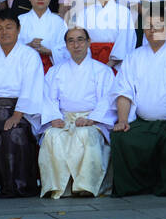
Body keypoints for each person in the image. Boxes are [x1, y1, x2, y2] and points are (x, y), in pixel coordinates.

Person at [110, 10, 166, 197]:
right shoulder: (134, 57)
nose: (152, 30)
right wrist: (123, 120)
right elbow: (124, 91)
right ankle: (134, 187)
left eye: (157, 26)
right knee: (121, 137)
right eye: (148, 26)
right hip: (141, 121)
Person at [0, 9, 45, 198]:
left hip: (20, 110)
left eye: (9, 27)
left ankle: (16, 186)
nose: (4, 32)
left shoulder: (29, 56)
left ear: (18, 30)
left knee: (14, 132)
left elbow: (30, 88)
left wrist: (17, 115)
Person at [38, 27, 117, 199]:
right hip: (64, 118)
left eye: (81, 39)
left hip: (91, 119)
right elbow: (48, 98)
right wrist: (54, 118)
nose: (76, 44)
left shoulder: (102, 70)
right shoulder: (55, 71)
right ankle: (60, 187)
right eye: (71, 41)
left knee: (85, 135)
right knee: (52, 136)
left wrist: (93, 119)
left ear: (89, 42)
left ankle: (87, 186)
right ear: (65, 45)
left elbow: (107, 100)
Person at [69, 0, 136, 68]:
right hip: (90, 59)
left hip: (114, 62)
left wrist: (111, 63)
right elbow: (80, 36)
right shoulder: (85, 12)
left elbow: (125, 39)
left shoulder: (123, 11)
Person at [19, 0, 68, 72]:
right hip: (25, 67)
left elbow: (66, 48)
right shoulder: (20, 20)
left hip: (51, 68)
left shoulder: (59, 22)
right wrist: (28, 46)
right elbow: (13, 47)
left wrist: (49, 52)